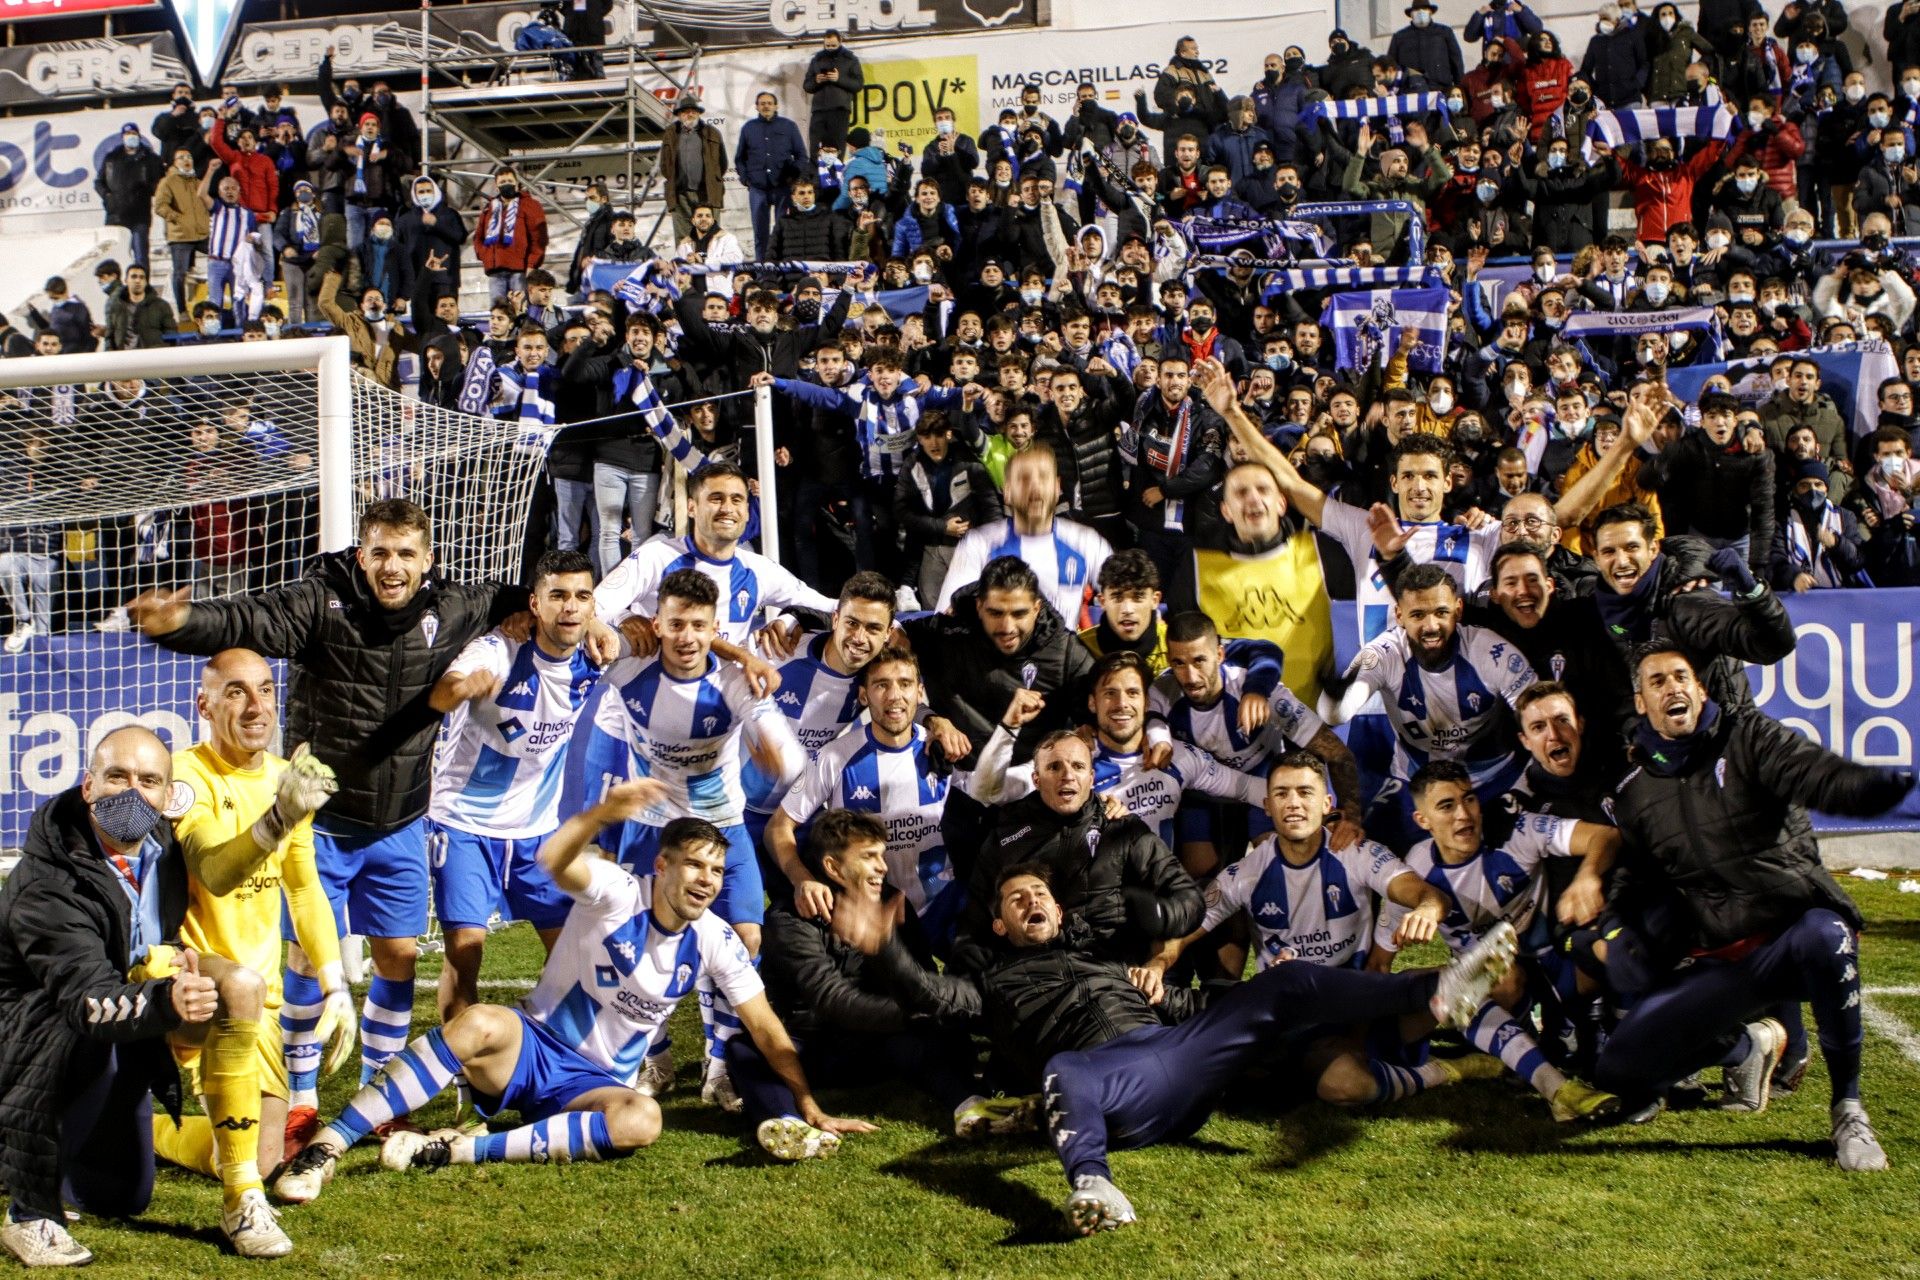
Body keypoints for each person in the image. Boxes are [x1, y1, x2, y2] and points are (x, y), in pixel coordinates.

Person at [127, 499, 614, 1153]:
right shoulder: (320, 602)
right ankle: (302, 1102)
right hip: (319, 823)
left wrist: (598, 619)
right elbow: (248, 618)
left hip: (402, 820)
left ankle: (379, 1097)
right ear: (362, 554)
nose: (393, 566)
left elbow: (526, 597)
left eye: (407, 554)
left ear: (427, 560)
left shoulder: (456, 607)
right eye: (381, 552)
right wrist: (181, 622)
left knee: (399, 957)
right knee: (302, 959)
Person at [274, 784, 870, 1195]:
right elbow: (553, 857)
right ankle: (327, 1146)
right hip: (530, 1048)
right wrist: (604, 814)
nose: (707, 880)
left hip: (594, 1087)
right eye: (694, 865)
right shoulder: (617, 890)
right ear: (661, 866)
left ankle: (451, 1150)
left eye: (716, 871)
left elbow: (765, 1026)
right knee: (479, 1020)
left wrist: (807, 1104)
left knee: (643, 1120)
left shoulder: (713, 939)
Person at [858, 861, 1517, 1231]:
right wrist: (882, 946)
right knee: (1066, 1069)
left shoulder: (1110, 966)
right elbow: (933, 997)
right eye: (1016, 897)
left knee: (1284, 983)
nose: (1031, 899)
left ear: (1059, 912)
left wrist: (1240, 1010)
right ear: (1001, 924)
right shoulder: (993, 985)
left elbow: (1195, 1008)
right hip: (1114, 1085)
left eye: (1040, 893)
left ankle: (1437, 990)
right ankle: (1094, 1184)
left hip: (1180, 1054)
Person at [1595, 643, 1915, 1169]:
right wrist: (1613, 928)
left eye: (1681, 677)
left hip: (1793, 937)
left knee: (1825, 937)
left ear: (1700, 690)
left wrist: (1864, 788)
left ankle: (1849, 1109)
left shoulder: (1749, 737)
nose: (1672, 686)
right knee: (1618, 1068)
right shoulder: (1635, 790)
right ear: (1640, 702)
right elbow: (1636, 877)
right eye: (1657, 681)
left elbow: (1814, 772)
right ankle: (1747, 1042)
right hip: (1726, 958)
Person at [1142, 750, 1505, 1108]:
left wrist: (1426, 908)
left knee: (1491, 976)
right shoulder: (1247, 872)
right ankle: (1442, 1070)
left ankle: (1388, 1049)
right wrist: (1159, 964)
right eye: (1282, 794)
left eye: (1305, 792)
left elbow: (1422, 892)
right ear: (1268, 807)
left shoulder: (1357, 852)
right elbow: (1188, 926)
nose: (1294, 804)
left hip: (1368, 1006)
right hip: (1303, 1024)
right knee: (1347, 1086)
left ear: (1326, 803)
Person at [568, 567, 805, 1108]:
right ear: (659, 623)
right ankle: (654, 1058)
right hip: (654, 831)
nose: (688, 638)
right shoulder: (630, 671)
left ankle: (719, 1067)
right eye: (676, 625)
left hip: (722, 829)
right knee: (632, 947)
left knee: (744, 941)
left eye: (700, 627)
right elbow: (585, 628)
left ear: (716, 627)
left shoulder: (734, 682)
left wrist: (771, 752)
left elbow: (787, 755)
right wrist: (616, 625)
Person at [150, 652, 353, 1258]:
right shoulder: (184, 776)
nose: (256, 706)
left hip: (257, 995)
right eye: (235, 693)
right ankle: (242, 1206)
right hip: (186, 977)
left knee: (254, 1156)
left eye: (265, 690)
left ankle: (136, 1127)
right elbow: (213, 870)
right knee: (233, 982)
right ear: (205, 706)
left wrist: (335, 981)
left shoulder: (282, 778)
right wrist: (277, 818)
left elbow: (302, 886)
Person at [0, 729, 215, 1269]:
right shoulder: (48, 883)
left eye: (149, 781)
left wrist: (174, 959)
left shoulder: (164, 852)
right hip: (27, 1034)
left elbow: (141, 940)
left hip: (112, 1027)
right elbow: (89, 999)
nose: (132, 794)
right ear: (89, 785)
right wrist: (167, 999)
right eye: (117, 776)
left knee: (120, 1196)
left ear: (169, 796)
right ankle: (28, 1214)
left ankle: (54, 1162)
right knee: (76, 1028)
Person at [737, 809, 1032, 1160]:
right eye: (868, 857)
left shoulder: (893, 899)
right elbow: (833, 1000)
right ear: (832, 867)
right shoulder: (790, 918)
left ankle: (970, 1104)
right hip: (818, 1049)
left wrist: (923, 1005)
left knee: (936, 1029)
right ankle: (785, 1121)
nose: (882, 866)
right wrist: (914, 1014)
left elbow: (921, 978)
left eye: (881, 855)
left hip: (880, 1045)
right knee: (745, 1049)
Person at [1373, 760, 1623, 1122]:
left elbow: (1605, 836)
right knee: (1491, 974)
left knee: (1613, 951)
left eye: (1469, 799)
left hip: (1557, 969)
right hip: (1493, 989)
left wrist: (1587, 877)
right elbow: (1381, 961)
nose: (1464, 814)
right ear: (1422, 821)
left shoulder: (1517, 832)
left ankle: (1624, 1049)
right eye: (1446, 806)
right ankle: (1544, 1070)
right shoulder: (1414, 871)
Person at [425, 551, 607, 1020]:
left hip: (535, 831)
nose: (569, 607)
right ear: (535, 603)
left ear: (593, 607)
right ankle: (465, 1072)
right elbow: (444, 692)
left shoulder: (597, 656)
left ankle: (559, 1050)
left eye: (581, 596)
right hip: (465, 824)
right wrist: (465, 689)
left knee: (572, 952)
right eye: (558, 596)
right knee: (465, 952)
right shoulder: (499, 649)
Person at [594, 460, 836, 645]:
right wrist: (622, 618)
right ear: (691, 507)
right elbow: (594, 606)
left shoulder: (760, 569)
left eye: (737, 499)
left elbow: (829, 607)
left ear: (747, 511)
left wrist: (791, 619)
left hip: (722, 696)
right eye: (716, 499)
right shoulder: (655, 556)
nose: (727, 508)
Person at [899, 556, 1096, 767]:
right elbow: (885, 648)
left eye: (1019, 614)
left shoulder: (1067, 652)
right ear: (979, 606)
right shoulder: (946, 633)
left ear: (1037, 608)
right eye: (995, 613)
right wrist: (929, 719)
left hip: (1032, 786)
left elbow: (1103, 712)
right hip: (955, 781)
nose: (1007, 627)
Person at [935, 445, 1110, 623]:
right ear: (1007, 492)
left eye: (1043, 477)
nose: (1035, 487)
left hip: (1063, 649)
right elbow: (945, 620)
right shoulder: (979, 545)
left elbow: (1127, 594)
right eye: (1024, 479)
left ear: (1057, 487)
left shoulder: (1086, 543)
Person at [736, 92, 809, 261]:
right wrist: (745, 178)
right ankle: (763, 274)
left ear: (776, 106)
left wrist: (793, 177)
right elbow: (740, 158)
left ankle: (783, 271)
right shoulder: (748, 128)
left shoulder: (788, 126)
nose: (766, 106)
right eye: (762, 103)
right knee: (760, 235)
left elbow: (801, 156)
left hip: (783, 188)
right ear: (756, 106)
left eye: (769, 103)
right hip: (758, 188)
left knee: (783, 232)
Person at [472, 167, 548, 304]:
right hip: (495, 271)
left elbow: (539, 238)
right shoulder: (490, 208)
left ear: (517, 183)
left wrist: (532, 264)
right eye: (502, 181)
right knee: (498, 311)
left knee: (520, 310)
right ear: (496, 185)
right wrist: (484, 255)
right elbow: (478, 237)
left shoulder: (530, 205)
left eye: (509, 180)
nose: (506, 184)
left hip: (520, 270)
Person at [95, 124, 164, 272]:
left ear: (139, 136)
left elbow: (160, 182)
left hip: (140, 213)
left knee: (140, 254)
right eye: (127, 134)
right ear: (122, 137)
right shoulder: (112, 158)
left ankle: (143, 286)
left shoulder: (150, 158)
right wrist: (107, 196)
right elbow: (99, 182)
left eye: (133, 133)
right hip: (116, 214)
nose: (131, 136)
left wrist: (148, 188)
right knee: (114, 255)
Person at [659, 99, 727, 243]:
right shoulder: (670, 133)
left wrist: (711, 179)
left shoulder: (712, 132)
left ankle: (709, 265)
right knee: (684, 238)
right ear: (679, 115)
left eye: (693, 111)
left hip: (707, 193)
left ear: (698, 114)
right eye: (685, 111)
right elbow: (665, 165)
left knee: (710, 236)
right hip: (680, 195)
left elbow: (722, 164)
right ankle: (685, 265)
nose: (690, 114)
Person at [803, 31, 864, 157]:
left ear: (840, 41)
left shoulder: (851, 59)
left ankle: (836, 175)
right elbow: (807, 86)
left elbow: (858, 84)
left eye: (833, 46)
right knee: (815, 149)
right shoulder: (817, 59)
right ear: (824, 43)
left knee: (837, 148)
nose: (830, 49)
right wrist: (817, 81)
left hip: (839, 112)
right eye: (827, 46)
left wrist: (838, 79)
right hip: (819, 111)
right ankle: (816, 175)